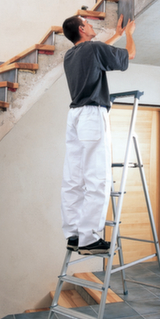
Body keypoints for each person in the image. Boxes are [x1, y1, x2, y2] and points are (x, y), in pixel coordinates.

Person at [60, 14, 136, 255]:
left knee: (73, 179)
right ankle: (90, 239)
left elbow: (99, 51)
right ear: (82, 29)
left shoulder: (70, 55)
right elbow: (129, 55)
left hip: (75, 117)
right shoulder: (93, 49)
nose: (91, 25)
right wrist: (130, 34)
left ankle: (74, 235)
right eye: (88, 23)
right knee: (98, 177)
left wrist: (117, 35)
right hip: (92, 115)